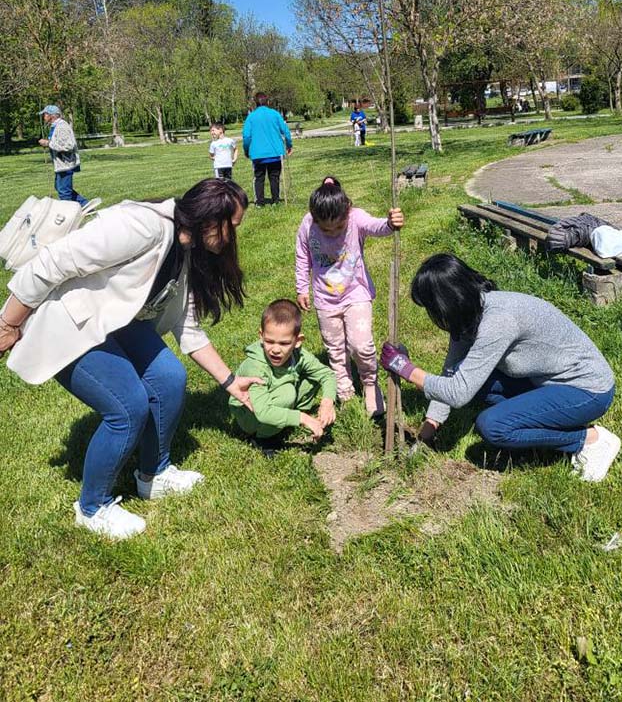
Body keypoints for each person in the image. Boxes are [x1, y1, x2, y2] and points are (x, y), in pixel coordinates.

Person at [0, 179, 262, 539]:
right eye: (233, 226)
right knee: (127, 408)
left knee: (169, 379)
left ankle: (153, 475)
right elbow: (54, 261)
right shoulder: (142, 226)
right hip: (68, 320)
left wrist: (230, 382)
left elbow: (188, 326)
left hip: (111, 321)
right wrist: (8, 323)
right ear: (209, 219)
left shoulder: (187, 248)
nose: (234, 236)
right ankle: (92, 508)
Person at [380, 253, 621, 482]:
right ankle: (545, 420)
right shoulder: (469, 314)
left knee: (494, 426)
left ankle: (590, 440)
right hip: (549, 382)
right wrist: (427, 434)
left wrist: (406, 369)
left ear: (446, 304)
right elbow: (451, 374)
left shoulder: (497, 321)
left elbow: (458, 393)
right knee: (477, 382)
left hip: (588, 390)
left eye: (431, 309)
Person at [296, 177, 404, 417]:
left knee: (361, 345)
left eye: (338, 227)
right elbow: (303, 256)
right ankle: (345, 391)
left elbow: (376, 226)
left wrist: (390, 222)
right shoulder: (308, 224)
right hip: (325, 298)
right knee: (335, 348)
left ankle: (370, 383)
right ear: (315, 218)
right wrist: (302, 288)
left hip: (356, 292)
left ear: (348, 211)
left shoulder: (356, 217)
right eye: (326, 229)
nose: (332, 233)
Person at [229, 298, 336, 450]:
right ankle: (263, 438)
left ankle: (284, 421)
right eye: (269, 341)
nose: (275, 349)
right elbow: (263, 412)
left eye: (284, 343)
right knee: (287, 393)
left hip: (272, 400)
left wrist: (327, 402)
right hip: (250, 414)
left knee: (312, 379)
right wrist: (303, 419)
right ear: (261, 335)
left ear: (297, 341)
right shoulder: (255, 366)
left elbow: (326, 374)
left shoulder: (298, 355)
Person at [242, 92, 292, 206]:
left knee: (259, 178)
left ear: (255, 103)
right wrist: (289, 145)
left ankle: (260, 202)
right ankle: (275, 200)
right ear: (268, 102)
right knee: (274, 177)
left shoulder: (251, 117)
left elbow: (246, 136)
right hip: (275, 152)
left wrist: (246, 149)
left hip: (258, 154)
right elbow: (286, 131)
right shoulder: (275, 114)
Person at [38, 104, 87, 205]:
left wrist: (48, 143)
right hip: (61, 165)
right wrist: (49, 143)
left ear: (51, 115)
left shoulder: (62, 126)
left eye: (45, 114)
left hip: (66, 164)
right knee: (60, 188)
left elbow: (68, 146)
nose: (44, 117)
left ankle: (70, 211)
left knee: (64, 192)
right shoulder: (55, 126)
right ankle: (85, 205)